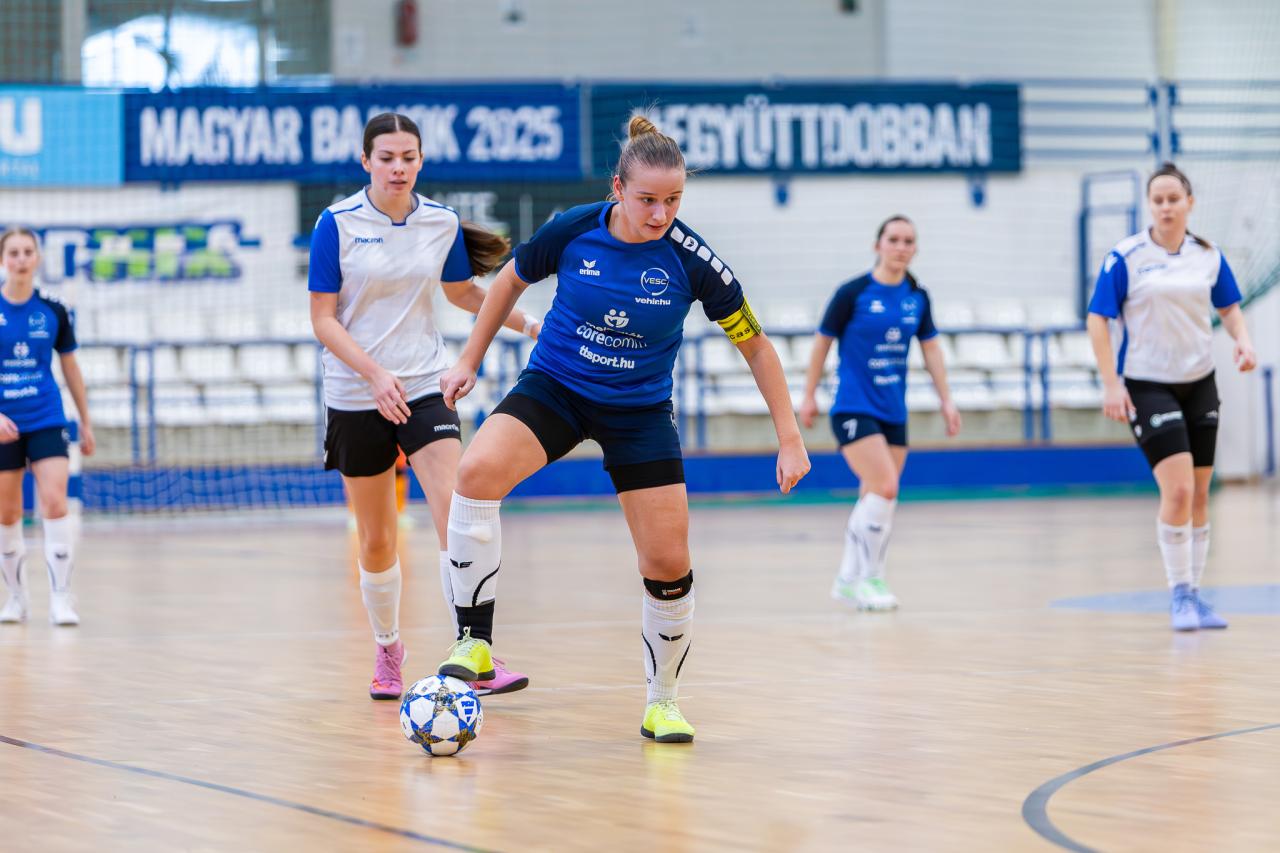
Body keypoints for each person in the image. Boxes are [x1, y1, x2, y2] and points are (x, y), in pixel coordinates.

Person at [434, 115, 811, 743]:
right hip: (556, 387)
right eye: (647, 200)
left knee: (667, 561)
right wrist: (469, 360)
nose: (661, 214)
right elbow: (508, 282)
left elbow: (757, 346)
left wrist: (790, 438)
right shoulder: (573, 228)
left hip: (638, 411)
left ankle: (663, 703)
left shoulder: (694, 261)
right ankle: (473, 643)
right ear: (618, 189)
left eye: (673, 200)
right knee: (475, 474)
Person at [309, 112, 538, 699]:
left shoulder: (441, 221)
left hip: (423, 385)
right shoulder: (336, 224)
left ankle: (473, 649)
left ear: (420, 161)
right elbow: (323, 320)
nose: (398, 168)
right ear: (366, 161)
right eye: (386, 158)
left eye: (408, 157)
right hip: (356, 392)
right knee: (377, 540)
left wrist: (532, 325)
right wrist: (372, 374)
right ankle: (388, 648)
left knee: (459, 513)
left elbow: (464, 293)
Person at [1086, 162, 1256, 632]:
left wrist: (1242, 340)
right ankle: (1179, 594)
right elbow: (1098, 319)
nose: (1165, 207)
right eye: (1157, 200)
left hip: (1199, 380)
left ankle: (1196, 596)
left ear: (1189, 203)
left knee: (1200, 493)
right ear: (1150, 205)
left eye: (1173, 199)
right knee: (1177, 490)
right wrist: (1111, 383)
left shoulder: (1208, 254)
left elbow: (1229, 306)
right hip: (1148, 384)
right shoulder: (1126, 257)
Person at [799, 215, 961, 611]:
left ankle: (848, 578)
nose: (901, 247)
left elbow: (931, 348)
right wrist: (809, 395)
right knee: (885, 486)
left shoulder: (917, 296)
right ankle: (870, 578)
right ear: (878, 245)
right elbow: (822, 343)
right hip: (853, 406)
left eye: (908, 241)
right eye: (894, 239)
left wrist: (946, 399)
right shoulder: (852, 293)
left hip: (893, 410)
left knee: (877, 495)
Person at [0, 228, 95, 626]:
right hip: (4, 422)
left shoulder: (53, 311)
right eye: (14, 252)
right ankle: (16, 597)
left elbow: (70, 367)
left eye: (28, 252)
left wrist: (85, 421)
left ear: (38, 258)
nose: (21, 259)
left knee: (55, 503)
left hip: (46, 417)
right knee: (7, 513)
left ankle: (61, 598)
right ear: (3, 260)